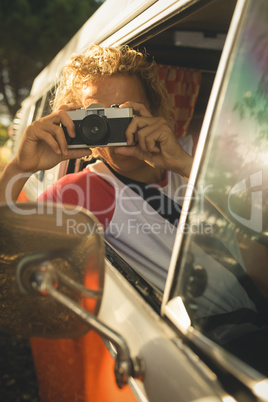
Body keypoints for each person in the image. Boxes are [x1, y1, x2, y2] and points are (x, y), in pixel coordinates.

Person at [0, 44, 194, 291]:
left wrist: (185, 165)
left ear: (153, 111)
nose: (113, 130)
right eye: (95, 119)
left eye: (125, 112)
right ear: (75, 125)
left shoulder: (196, 153)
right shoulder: (82, 193)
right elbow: (7, 256)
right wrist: (19, 169)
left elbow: (255, 216)